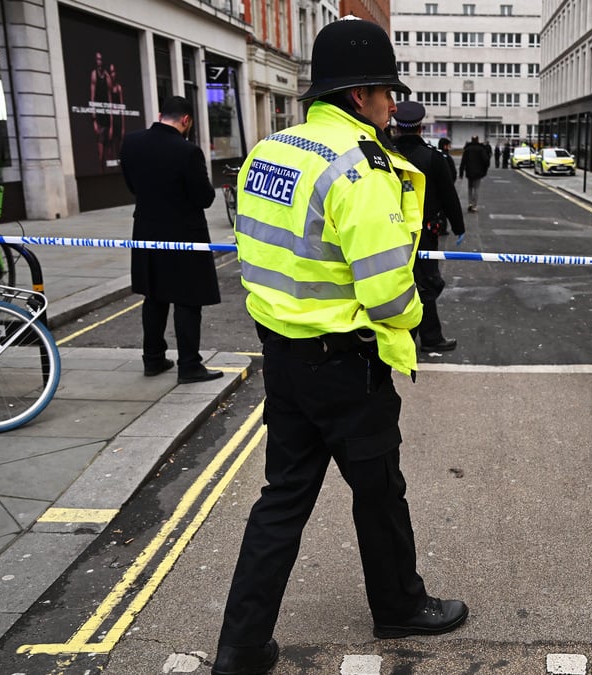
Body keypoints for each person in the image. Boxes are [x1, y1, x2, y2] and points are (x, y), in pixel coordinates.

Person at [214, 18, 468, 675]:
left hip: (284, 355)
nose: (392, 104)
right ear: (359, 96)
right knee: (380, 489)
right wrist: (412, 316)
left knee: (282, 498)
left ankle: (241, 647)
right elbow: (388, 292)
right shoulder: (359, 166)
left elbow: (256, 254)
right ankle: (400, 605)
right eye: (386, 92)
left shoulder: (270, 153)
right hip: (347, 362)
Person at [119, 95, 223, 384]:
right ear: (186, 120)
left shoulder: (132, 142)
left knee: (154, 296)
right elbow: (203, 197)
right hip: (184, 234)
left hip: (146, 231)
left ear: (160, 114)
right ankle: (189, 366)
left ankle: (153, 359)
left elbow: (131, 185)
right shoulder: (187, 151)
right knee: (187, 301)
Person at [392, 101, 466, 352]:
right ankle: (428, 337)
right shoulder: (432, 157)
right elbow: (448, 195)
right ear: (420, 128)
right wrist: (458, 226)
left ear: (396, 126)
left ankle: (407, 337)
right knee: (427, 283)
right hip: (424, 231)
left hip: (389, 230)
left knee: (396, 282)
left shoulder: (383, 153)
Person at [90, 52, 112, 172]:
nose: (99, 62)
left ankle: (108, 169)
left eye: (101, 59)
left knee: (108, 143)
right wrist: (94, 119)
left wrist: (112, 117)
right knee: (100, 142)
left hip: (107, 114)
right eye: (97, 59)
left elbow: (109, 96)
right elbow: (92, 96)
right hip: (99, 114)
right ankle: (101, 168)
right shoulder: (94, 74)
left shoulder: (107, 75)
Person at [458, 135, 491, 211]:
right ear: (478, 140)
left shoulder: (467, 149)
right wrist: (484, 169)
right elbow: (486, 161)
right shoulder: (481, 149)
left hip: (469, 171)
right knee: (476, 188)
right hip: (478, 172)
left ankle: (469, 203)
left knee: (470, 188)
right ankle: (474, 205)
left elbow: (463, 161)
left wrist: (461, 172)